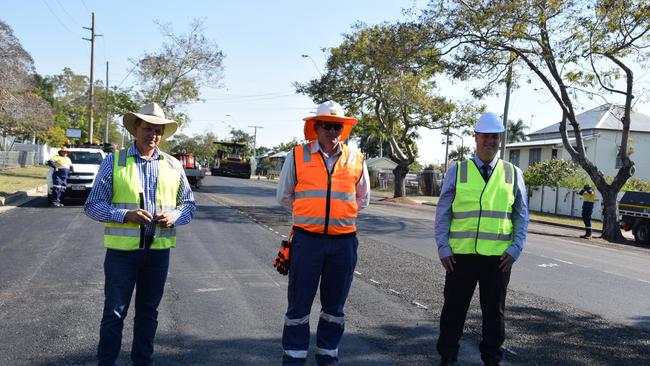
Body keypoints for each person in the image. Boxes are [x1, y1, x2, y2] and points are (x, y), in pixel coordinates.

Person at [84, 102, 196, 366]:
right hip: (122, 255)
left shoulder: (173, 165)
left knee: (148, 313)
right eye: (148, 128)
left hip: (157, 255)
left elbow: (189, 204)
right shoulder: (114, 162)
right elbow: (92, 205)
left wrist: (175, 216)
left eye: (158, 130)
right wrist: (125, 215)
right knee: (114, 313)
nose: (153, 135)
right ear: (136, 128)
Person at [276, 100, 370, 366]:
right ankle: (293, 359)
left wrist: (339, 218)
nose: (332, 131)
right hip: (307, 241)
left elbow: (362, 199)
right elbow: (284, 196)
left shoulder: (356, 158)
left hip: (343, 244)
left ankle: (328, 358)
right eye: (327, 125)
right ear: (316, 127)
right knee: (299, 305)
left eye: (337, 126)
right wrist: (311, 216)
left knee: (334, 308)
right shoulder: (297, 155)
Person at [434, 112, 529, 366]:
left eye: (495, 137)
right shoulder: (459, 170)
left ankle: (492, 359)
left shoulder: (513, 173)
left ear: (500, 140)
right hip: (460, 256)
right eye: (485, 135)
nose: (490, 141)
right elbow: (443, 211)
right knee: (453, 310)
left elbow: (521, 214)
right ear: (476, 137)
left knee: (494, 314)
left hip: (498, 259)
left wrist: (516, 248)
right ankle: (448, 357)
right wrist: (443, 247)